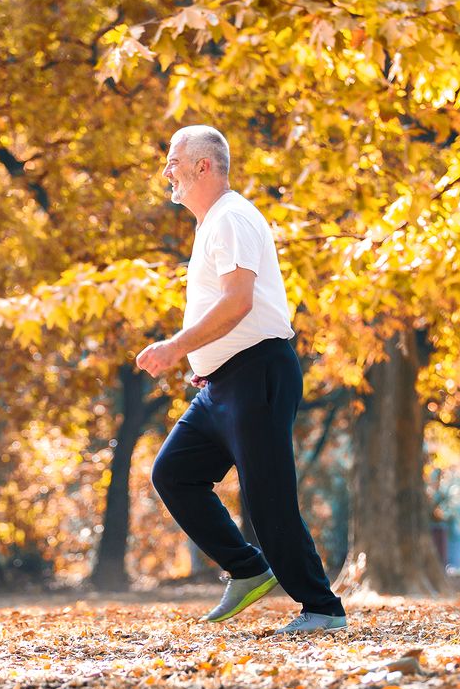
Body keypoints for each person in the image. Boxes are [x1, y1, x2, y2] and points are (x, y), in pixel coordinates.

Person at [137, 125, 347, 634]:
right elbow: (225, 309)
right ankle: (249, 568)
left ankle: (322, 608)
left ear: (202, 166)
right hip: (221, 385)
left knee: (268, 495)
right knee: (174, 473)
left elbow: (239, 301)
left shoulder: (231, 217)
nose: (167, 171)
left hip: (258, 374)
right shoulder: (212, 223)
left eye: (173, 161)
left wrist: (175, 348)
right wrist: (202, 362)